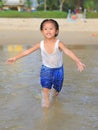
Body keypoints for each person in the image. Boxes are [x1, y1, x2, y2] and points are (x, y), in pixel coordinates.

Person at [7, 19, 85, 108]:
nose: (48, 31)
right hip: (46, 69)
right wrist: (15, 58)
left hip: (58, 70)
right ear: (42, 31)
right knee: (45, 89)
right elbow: (28, 51)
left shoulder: (58, 43)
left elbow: (67, 51)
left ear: (56, 31)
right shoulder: (40, 44)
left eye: (51, 29)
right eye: (45, 29)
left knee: (57, 90)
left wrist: (77, 61)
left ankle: (53, 99)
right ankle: (46, 106)